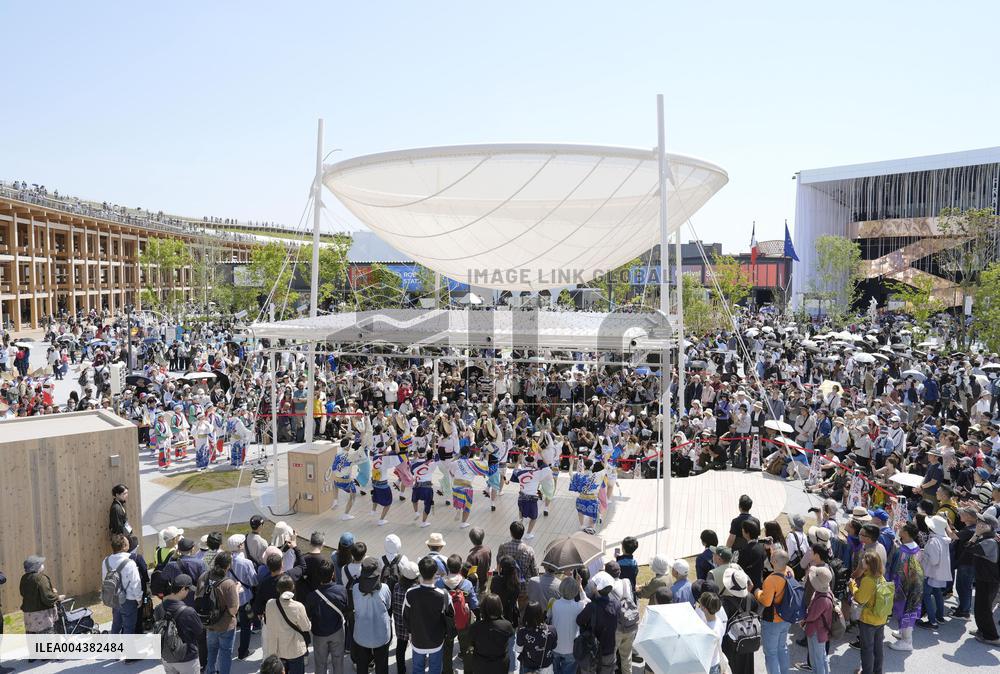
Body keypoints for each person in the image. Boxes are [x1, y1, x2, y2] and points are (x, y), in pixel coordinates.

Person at [404, 556, 453, 674]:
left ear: (420, 572)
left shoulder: (410, 593)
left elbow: (405, 616)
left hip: (417, 640)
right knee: (435, 669)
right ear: (435, 572)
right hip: (436, 641)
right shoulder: (444, 595)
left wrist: (410, 633)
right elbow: (450, 617)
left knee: (418, 669)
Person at [303, 559, 350, 674]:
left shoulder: (311, 597)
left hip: (319, 634)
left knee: (320, 664)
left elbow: (308, 615)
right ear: (332, 574)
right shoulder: (341, 590)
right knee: (338, 661)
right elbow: (346, 608)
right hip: (337, 631)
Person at [198, 551, 240, 674]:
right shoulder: (228, 584)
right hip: (225, 625)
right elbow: (233, 610)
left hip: (209, 623)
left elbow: (197, 598)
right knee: (225, 653)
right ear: (228, 566)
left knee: (211, 651)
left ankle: (209, 671)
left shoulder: (203, 577)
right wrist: (237, 590)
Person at [850, 552, 892, 674]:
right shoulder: (881, 577)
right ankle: (877, 671)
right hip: (880, 617)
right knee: (878, 648)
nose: (862, 561)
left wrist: (853, 586)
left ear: (869, 564)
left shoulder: (868, 580)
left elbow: (860, 598)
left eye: (864, 560)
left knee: (867, 648)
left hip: (868, 620)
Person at [437, 554, 478, 674]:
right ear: (460, 567)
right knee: (466, 648)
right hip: (463, 621)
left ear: (447, 567)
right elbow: (475, 604)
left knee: (447, 647)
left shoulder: (439, 582)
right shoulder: (467, 584)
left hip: (446, 621)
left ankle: (447, 671)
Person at [753, 548, 793, 674]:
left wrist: (757, 592)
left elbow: (766, 602)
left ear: (774, 561)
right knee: (782, 648)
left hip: (773, 620)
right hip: (786, 617)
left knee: (771, 653)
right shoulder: (790, 572)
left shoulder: (771, 580)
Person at [154, 573, 204, 674]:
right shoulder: (189, 611)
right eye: (188, 589)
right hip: (187, 659)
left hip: (167, 657)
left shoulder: (158, 608)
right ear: (182, 589)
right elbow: (200, 632)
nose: (189, 592)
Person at [352, 558, 393, 674]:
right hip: (381, 636)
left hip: (361, 635)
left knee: (362, 666)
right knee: (382, 666)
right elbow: (389, 606)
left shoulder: (355, 589)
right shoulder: (384, 588)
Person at [264, 574, 311, 674]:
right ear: (293, 587)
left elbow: (269, 622)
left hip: (277, 651)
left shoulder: (270, 604)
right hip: (295, 650)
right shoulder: (298, 606)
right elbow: (306, 627)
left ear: (278, 588)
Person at [575, 571, 619, 674]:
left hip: (592, 651)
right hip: (609, 650)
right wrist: (580, 586)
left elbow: (579, 620)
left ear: (597, 588)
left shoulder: (592, 607)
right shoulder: (616, 604)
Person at [226, 534, 259, 661]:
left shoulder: (226, 559)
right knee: (246, 625)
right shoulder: (246, 562)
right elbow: (254, 581)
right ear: (240, 546)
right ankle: (243, 651)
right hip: (244, 598)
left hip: (230, 597)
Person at [102, 533, 142, 636]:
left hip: (113, 597)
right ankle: (128, 651)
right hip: (128, 599)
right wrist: (139, 599)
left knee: (116, 624)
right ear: (124, 546)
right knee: (129, 628)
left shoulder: (105, 561)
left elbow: (104, 579)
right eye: (127, 542)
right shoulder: (130, 563)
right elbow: (135, 583)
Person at [719, 566, 758, 674]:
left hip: (731, 643)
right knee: (747, 667)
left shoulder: (723, 603)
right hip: (747, 639)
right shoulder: (751, 598)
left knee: (733, 668)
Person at [916, 514, 951, 629]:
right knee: (937, 593)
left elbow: (934, 560)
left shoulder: (933, 541)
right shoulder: (943, 539)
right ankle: (939, 617)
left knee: (926, 595)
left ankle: (932, 622)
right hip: (940, 572)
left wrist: (923, 554)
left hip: (931, 573)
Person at [970, 513, 1000, 644]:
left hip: (988, 580)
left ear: (989, 526)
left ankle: (992, 637)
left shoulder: (989, 541)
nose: (978, 524)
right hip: (985, 578)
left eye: (981, 523)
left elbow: (968, 549)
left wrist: (976, 534)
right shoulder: (989, 537)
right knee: (980, 607)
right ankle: (982, 630)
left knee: (984, 608)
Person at [468, 592, 515, 674]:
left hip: (480, 665)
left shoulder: (475, 627)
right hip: (500, 665)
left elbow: (471, 644)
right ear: (500, 607)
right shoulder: (507, 625)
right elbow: (511, 645)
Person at [549, 576, 586, 674]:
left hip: (554, 646)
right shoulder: (579, 606)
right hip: (571, 648)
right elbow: (587, 600)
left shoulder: (553, 602)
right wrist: (580, 586)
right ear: (575, 591)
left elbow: (548, 617)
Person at [801, 566, 834, 674]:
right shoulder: (828, 593)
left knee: (816, 659)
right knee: (822, 655)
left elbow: (811, 616)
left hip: (816, 632)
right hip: (823, 631)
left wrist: (803, 620)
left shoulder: (821, 600)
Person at [19, 555, 61, 635]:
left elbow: (23, 593)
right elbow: (48, 597)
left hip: (29, 616)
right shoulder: (41, 578)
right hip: (42, 617)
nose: (43, 565)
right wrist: (57, 596)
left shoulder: (24, 578)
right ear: (36, 566)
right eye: (41, 563)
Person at [392, 560, 420, 674]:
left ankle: (401, 670)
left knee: (400, 648)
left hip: (400, 624)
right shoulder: (417, 591)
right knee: (417, 649)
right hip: (414, 627)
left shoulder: (397, 586)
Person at [515, 601, 557, 674]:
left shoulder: (522, 632)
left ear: (526, 615)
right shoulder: (551, 630)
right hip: (546, 667)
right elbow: (554, 646)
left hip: (528, 667)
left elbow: (518, 649)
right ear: (540, 613)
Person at [695, 592, 726, 674]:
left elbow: (704, 653)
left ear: (704, 608)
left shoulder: (710, 631)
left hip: (710, 667)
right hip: (716, 662)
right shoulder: (718, 620)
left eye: (700, 603)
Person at [466, 527, 493, 596]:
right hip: (486, 581)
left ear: (471, 540)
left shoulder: (472, 557)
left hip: (477, 585)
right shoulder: (487, 549)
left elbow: (469, 574)